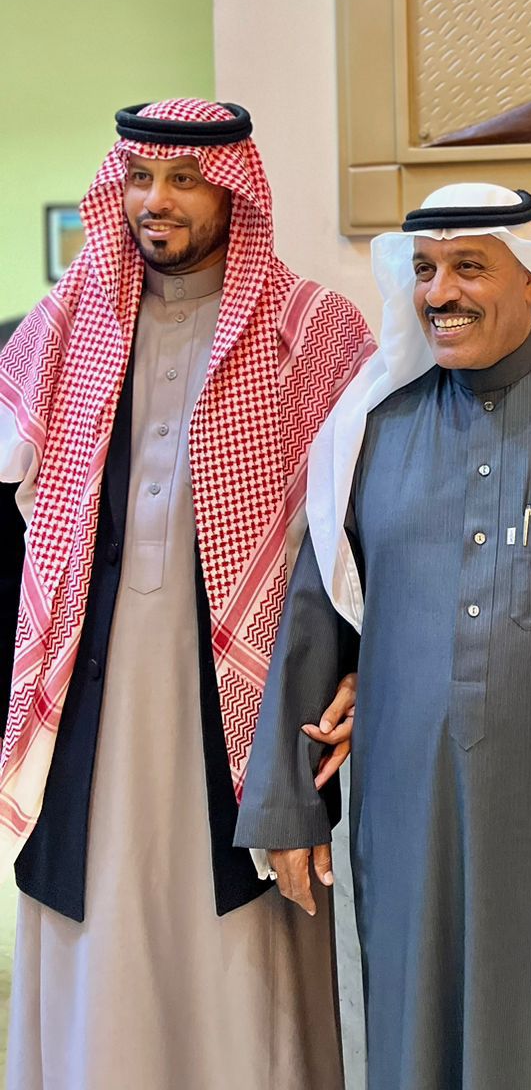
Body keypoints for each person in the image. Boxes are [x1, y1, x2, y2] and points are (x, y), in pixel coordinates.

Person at [236, 183, 531, 1090]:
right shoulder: (373, 429)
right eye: (426, 270)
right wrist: (287, 800)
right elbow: (316, 613)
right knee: (417, 1032)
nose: (441, 292)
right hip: (408, 814)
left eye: (470, 266)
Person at [0, 99, 373, 1090]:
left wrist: (358, 670)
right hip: (89, 698)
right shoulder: (63, 326)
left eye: (183, 180)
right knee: (92, 913)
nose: (155, 201)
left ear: (234, 192)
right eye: (139, 178)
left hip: (248, 703)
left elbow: (363, 530)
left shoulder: (311, 331)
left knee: (239, 951)